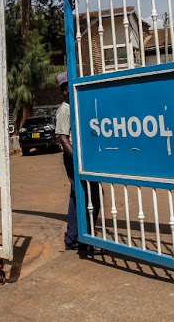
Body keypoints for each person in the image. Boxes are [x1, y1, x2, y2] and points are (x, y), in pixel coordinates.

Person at [55, 71, 100, 252]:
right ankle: (83, 238)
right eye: (64, 88)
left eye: (68, 86)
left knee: (79, 196)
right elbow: (64, 139)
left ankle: (74, 237)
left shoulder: (78, 105)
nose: (67, 90)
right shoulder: (64, 110)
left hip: (84, 157)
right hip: (74, 158)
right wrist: (79, 161)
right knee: (88, 195)